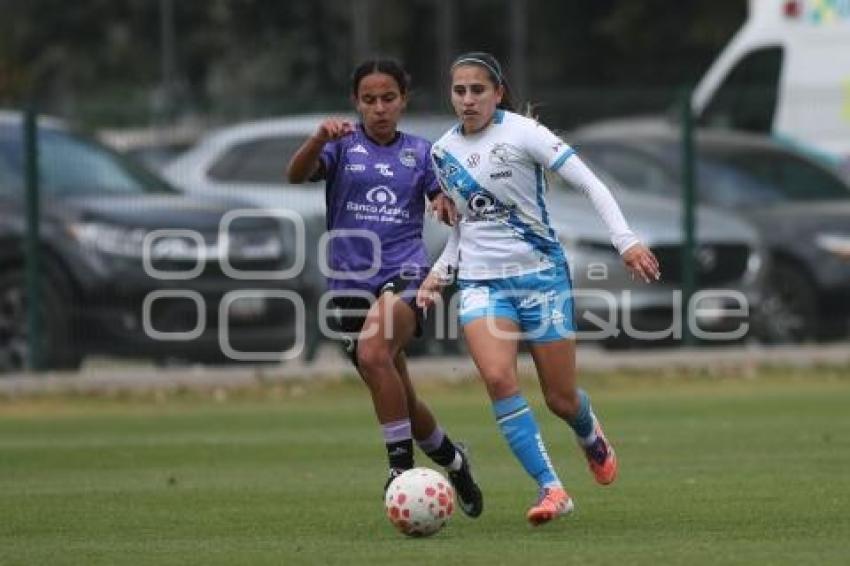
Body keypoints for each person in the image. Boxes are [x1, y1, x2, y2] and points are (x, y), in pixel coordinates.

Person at [417, 52, 660, 526]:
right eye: (459, 91)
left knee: (560, 399)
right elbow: (465, 226)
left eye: (478, 90)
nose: (467, 100)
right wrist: (441, 272)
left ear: (498, 92)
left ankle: (588, 433)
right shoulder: (442, 153)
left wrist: (625, 241)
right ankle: (552, 488)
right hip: (482, 282)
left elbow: (590, 183)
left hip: (541, 277)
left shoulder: (525, 134)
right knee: (498, 379)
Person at [286, 59, 483, 517]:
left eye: (388, 98)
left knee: (375, 354)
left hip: (407, 275)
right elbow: (296, 175)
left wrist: (442, 201)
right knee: (403, 401)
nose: (379, 108)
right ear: (356, 102)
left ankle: (399, 471)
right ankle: (455, 461)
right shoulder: (339, 147)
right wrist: (317, 138)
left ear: (403, 100)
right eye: (369, 100)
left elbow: (441, 196)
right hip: (349, 287)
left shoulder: (420, 152)